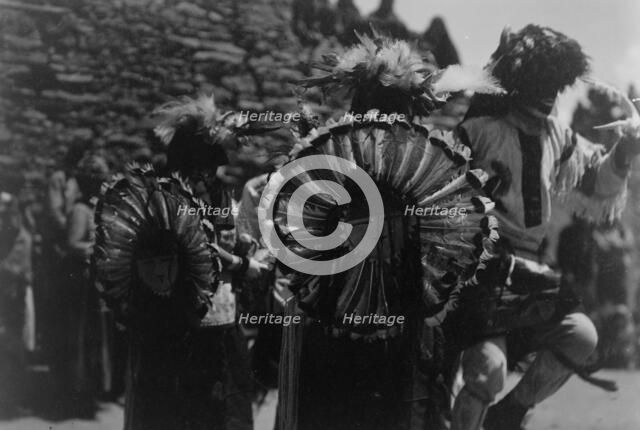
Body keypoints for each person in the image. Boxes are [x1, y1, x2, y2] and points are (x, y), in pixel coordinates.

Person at [450, 24, 640, 430]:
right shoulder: (477, 133)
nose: (551, 94)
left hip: (531, 278)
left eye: (557, 84)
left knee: (581, 337)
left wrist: (624, 149)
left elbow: (598, 183)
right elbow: (437, 197)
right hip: (481, 275)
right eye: (543, 82)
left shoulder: (558, 136)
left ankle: (507, 416)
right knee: (488, 371)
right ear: (519, 81)